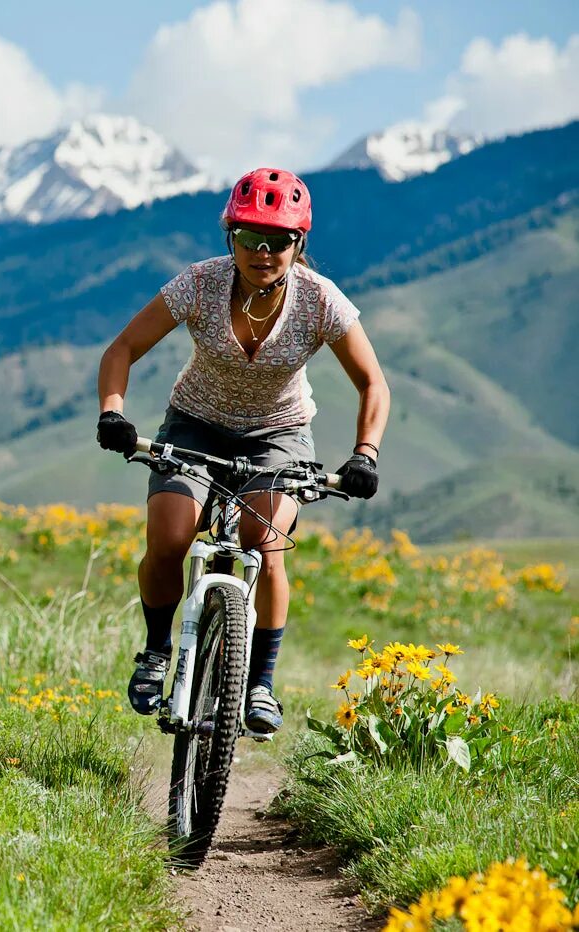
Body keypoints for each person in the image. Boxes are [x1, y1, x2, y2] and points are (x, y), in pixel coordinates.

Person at [95, 167, 390, 735]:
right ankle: (157, 653)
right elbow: (123, 348)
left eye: (279, 240)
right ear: (229, 236)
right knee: (171, 537)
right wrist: (114, 412)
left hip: (278, 434)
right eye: (251, 237)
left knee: (266, 546)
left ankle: (259, 684)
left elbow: (374, 384)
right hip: (195, 425)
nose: (264, 251)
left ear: (299, 244)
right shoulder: (200, 284)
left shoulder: (321, 300)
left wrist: (365, 453)